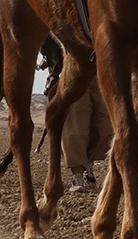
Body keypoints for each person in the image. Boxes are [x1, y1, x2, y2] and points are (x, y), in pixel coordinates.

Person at [39, 37, 114, 193]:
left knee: (105, 126)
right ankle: (78, 174)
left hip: (104, 73)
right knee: (76, 125)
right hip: (77, 71)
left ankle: (88, 163)